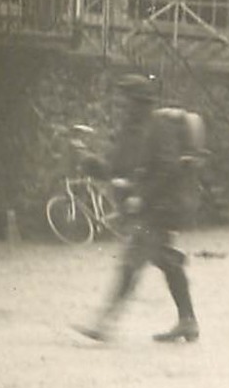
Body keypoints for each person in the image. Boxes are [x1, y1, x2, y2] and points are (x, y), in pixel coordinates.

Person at [73, 73, 201, 344]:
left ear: (138, 102)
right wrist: (92, 164)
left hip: (160, 207)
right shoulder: (129, 131)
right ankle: (188, 321)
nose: (119, 105)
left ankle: (105, 322)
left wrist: (141, 196)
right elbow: (118, 168)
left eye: (125, 100)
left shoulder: (158, 127)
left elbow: (168, 167)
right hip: (147, 208)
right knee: (166, 261)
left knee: (132, 260)